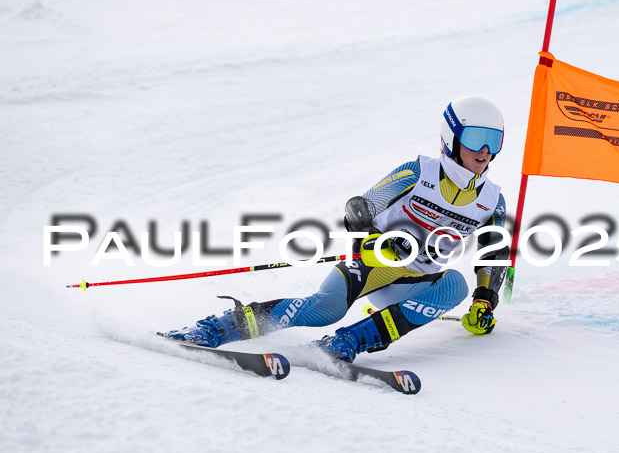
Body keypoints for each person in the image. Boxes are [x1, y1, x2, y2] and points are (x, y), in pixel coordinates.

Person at [164, 96, 509, 363]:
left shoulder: (492, 201)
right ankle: (215, 328)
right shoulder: (420, 172)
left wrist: (485, 301)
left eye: (494, 142)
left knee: (455, 285)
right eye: (477, 138)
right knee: (324, 308)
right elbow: (359, 208)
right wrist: (373, 241)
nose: (484, 151)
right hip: (376, 265)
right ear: (452, 136)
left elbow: (493, 255)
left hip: (412, 283)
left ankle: (344, 343)